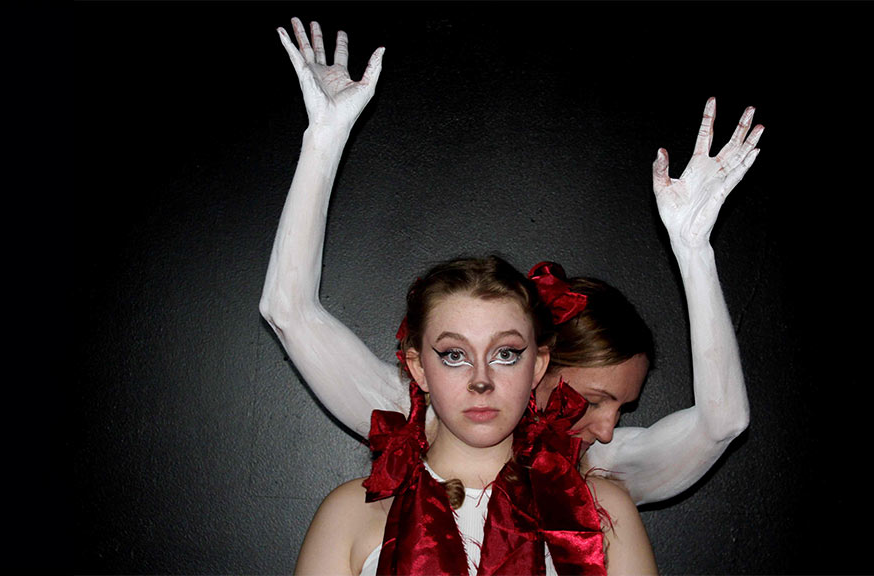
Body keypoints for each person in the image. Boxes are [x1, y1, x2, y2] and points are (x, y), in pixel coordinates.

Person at [261, 18, 762, 506]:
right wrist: (323, 139)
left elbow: (723, 423)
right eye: (592, 401)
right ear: (535, 364)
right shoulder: (426, 424)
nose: (608, 429)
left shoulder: (602, 469)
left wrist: (695, 249)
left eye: (621, 407)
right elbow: (289, 312)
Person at [293, 255, 658, 575]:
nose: (481, 381)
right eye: (454, 355)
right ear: (418, 367)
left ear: (537, 365)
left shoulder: (605, 511)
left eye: (506, 354)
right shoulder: (350, 515)